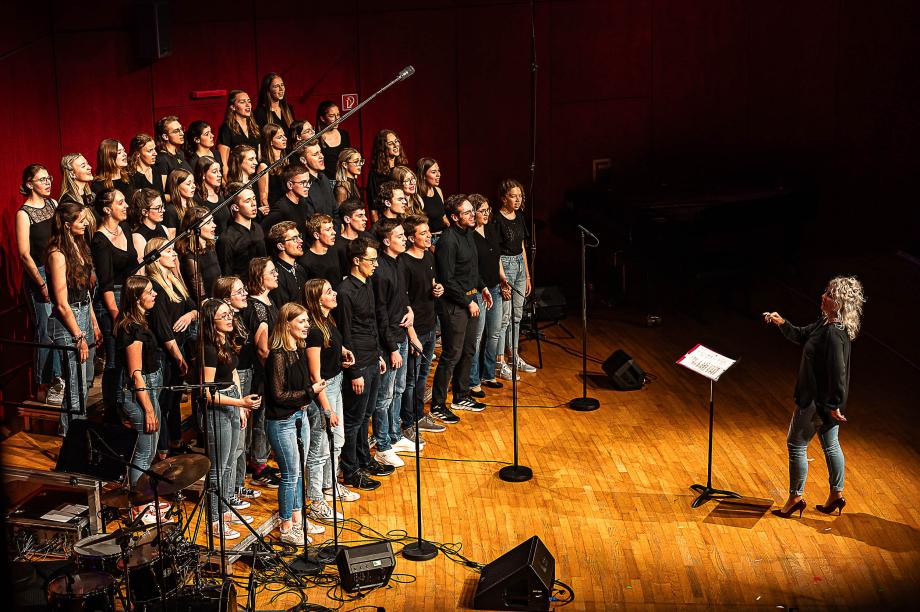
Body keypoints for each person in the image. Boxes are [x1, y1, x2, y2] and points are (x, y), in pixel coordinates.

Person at [764, 276, 866, 518]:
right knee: (831, 445)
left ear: (838, 303)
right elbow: (801, 335)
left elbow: (838, 372)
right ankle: (836, 495)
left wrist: (833, 405)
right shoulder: (826, 324)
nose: (823, 296)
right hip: (825, 403)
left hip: (815, 401)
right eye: (826, 292)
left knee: (796, 445)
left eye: (829, 295)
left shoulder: (833, 333)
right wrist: (782, 323)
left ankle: (795, 498)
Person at [265, 302, 328, 544]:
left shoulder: (298, 350)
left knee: (298, 472)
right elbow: (278, 394)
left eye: (307, 321)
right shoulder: (278, 355)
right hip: (282, 422)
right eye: (301, 321)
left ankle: (299, 519)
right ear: (286, 324)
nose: (306, 326)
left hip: (299, 417)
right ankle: (286, 526)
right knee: (290, 474)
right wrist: (310, 392)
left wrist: (307, 393)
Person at [199, 298, 262, 540]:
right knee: (218, 469)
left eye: (230, 315)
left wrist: (240, 404)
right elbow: (206, 393)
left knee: (231, 462)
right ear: (210, 322)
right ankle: (214, 521)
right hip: (219, 409)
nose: (230, 319)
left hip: (233, 402)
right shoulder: (208, 349)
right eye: (224, 316)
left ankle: (225, 512)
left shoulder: (223, 340)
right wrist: (239, 404)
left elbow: (233, 371)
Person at [335, 236, 393, 491]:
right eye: (371, 260)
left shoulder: (367, 284)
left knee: (366, 414)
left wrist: (379, 354)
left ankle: (363, 458)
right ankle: (350, 470)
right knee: (353, 419)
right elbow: (346, 334)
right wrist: (355, 371)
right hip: (358, 364)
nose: (376, 265)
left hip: (372, 357)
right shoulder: (345, 291)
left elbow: (371, 324)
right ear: (357, 261)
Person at [430, 195, 491, 423]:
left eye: (471, 211)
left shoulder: (469, 235)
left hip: (471, 298)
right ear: (455, 217)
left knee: (468, 350)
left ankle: (461, 395)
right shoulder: (448, 240)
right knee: (451, 355)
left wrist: (482, 287)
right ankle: (438, 404)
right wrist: (468, 302)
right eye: (466, 212)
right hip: (455, 306)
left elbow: (471, 269)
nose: (472, 215)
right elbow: (447, 279)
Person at [303, 278, 359, 504]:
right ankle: (316, 498)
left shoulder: (327, 321)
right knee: (320, 447)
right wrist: (327, 410)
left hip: (335, 382)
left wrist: (343, 353)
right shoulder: (314, 330)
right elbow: (315, 375)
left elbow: (333, 343)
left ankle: (330, 485)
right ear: (318, 300)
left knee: (337, 440)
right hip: (323, 392)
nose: (335, 293)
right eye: (329, 291)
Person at [46, 202, 101, 434]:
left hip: (83, 314)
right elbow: (61, 302)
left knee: (86, 379)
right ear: (67, 225)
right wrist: (78, 334)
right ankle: (73, 437)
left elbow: (84, 291)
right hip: (68, 322)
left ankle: (71, 431)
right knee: (75, 384)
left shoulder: (80, 245)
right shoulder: (57, 254)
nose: (86, 223)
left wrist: (93, 323)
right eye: (81, 220)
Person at [212, 276, 262, 504]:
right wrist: (240, 402)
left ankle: (236, 487)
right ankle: (228, 495)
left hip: (240, 378)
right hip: (231, 382)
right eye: (239, 291)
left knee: (242, 441)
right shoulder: (217, 336)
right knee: (232, 448)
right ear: (225, 299)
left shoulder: (237, 319)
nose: (245, 294)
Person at [144, 237, 195, 459]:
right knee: (164, 402)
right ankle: (162, 449)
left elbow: (194, 306)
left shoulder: (174, 279)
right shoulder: (154, 286)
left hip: (179, 346)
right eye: (169, 251)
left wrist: (189, 315)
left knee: (174, 400)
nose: (174, 254)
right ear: (155, 257)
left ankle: (175, 441)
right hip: (164, 353)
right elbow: (162, 328)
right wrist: (177, 357)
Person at [398, 215, 446, 448]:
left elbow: (433, 281)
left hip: (430, 324)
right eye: (423, 233)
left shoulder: (429, 256)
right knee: (410, 380)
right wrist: (411, 334)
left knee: (421, 378)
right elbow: (403, 301)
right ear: (411, 238)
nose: (428, 236)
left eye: (429, 232)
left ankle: (417, 415)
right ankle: (408, 422)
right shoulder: (404, 262)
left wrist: (438, 287)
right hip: (414, 330)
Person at [16, 164, 62, 402]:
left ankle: (58, 379)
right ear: (29, 183)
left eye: (49, 178)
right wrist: (41, 283)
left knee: (60, 327)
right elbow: (25, 254)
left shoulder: (53, 204)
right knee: (45, 332)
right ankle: (42, 385)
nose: (48, 182)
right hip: (39, 274)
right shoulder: (24, 214)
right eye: (42, 179)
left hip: (58, 270)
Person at [91, 189, 138, 418]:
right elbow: (106, 285)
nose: (126, 205)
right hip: (111, 301)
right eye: (121, 202)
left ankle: (125, 403)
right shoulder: (100, 240)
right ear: (107, 209)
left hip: (129, 296)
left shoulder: (125, 228)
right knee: (114, 358)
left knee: (129, 354)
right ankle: (112, 408)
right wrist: (118, 316)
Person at [370, 219, 413, 468]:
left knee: (398, 390)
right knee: (384, 396)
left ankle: (395, 436)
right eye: (399, 235)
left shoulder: (399, 263)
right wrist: (393, 348)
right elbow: (381, 312)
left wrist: (410, 313)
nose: (404, 238)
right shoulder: (382, 270)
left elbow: (401, 299)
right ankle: (383, 445)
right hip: (390, 343)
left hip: (402, 334)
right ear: (387, 241)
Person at [114, 276, 162, 487]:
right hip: (139, 393)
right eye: (149, 292)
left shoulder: (140, 322)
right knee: (144, 452)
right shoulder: (132, 329)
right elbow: (136, 374)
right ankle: (138, 505)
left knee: (150, 449)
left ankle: (141, 497)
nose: (155, 294)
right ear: (136, 297)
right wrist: (149, 409)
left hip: (149, 389)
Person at [241, 258, 281, 489]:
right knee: (261, 417)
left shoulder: (267, 300)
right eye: (272, 271)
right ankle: (258, 466)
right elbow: (263, 349)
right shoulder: (256, 306)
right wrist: (277, 374)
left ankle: (260, 460)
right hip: (260, 372)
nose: (276, 274)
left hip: (267, 371)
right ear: (259, 276)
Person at [494, 179, 536, 378]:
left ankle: (514, 356)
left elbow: (522, 247)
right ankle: (500, 361)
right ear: (504, 198)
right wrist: (502, 279)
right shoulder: (497, 219)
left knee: (517, 316)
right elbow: (496, 252)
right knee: (504, 317)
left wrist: (527, 275)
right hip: (505, 265)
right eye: (513, 195)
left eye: (520, 196)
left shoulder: (519, 216)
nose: (518, 199)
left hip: (519, 265)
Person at [468, 194, 505, 397]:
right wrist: (481, 288)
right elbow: (472, 268)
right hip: (479, 290)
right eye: (482, 211)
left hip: (495, 287)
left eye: (487, 210)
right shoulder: (469, 235)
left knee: (495, 333)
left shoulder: (491, 229)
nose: (486, 214)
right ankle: (473, 381)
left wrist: (502, 277)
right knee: (477, 336)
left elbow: (497, 256)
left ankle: (488, 374)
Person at [218, 183, 266, 282]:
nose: (254, 204)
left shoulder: (258, 228)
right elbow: (227, 276)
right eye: (248, 201)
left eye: (254, 198)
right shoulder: (227, 238)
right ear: (235, 207)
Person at [177, 206, 220, 303]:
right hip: (207, 308)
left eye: (212, 221)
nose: (214, 225)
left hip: (218, 301)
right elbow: (201, 298)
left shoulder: (210, 247)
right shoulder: (190, 257)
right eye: (208, 223)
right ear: (195, 228)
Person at [218, 90, 261, 175]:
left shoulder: (254, 127)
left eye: (249, 101)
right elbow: (223, 162)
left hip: (255, 174)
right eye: (242, 102)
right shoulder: (226, 128)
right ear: (233, 107)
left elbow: (259, 156)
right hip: (237, 176)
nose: (248, 105)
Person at [262, 164, 311, 238]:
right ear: (290, 185)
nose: (307, 186)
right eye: (303, 182)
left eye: (308, 181)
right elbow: (263, 231)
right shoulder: (281, 208)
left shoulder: (303, 202)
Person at [366, 130, 408, 214]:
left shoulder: (403, 170)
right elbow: (373, 207)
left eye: (396, 142)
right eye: (390, 143)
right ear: (382, 148)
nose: (396, 145)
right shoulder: (375, 174)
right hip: (386, 219)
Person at [267, 221, 307, 306]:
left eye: (299, 236)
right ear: (281, 246)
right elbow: (283, 311)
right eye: (294, 238)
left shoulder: (300, 269)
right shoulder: (276, 275)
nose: (301, 241)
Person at [300, 213, 342, 286]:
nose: (334, 232)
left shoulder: (335, 250)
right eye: (328, 230)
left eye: (333, 228)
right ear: (316, 235)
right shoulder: (305, 262)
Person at [152, 116, 192, 191]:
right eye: (176, 131)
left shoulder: (180, 153)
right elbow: (162, 194)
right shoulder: (162, 159)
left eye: (181, 129)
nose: (182, 133)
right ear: (165, 136)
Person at [193, 156, 230, 236]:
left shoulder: (221, 194)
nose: (219, 175)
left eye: (219, 171)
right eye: (214, 172)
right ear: (203, 175)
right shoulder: (196, 199)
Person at [315, 101, 350, 181]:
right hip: (326, 181)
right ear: (322, 118)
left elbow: (348, 158)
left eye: (338, 115)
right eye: (332, 116)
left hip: (344, 180)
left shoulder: (344, 134)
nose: (337, 119)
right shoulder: (316, 138)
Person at [129, 188, 168, 261]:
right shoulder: (138, 237)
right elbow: (141, 268)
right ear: (145, 212)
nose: (163, 210)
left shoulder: (164, 229)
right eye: (158, 208)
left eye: (162, 206)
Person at [257, 124, 288, 212]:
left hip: (288, 206)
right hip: (276, 209)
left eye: (284, 135)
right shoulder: (264, 165)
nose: (285, 139)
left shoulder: (287, 160)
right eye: (279, 137)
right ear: (270, 141)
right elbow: (263, 198)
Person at [301, 142, 337, 219]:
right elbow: (310, 218)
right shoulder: (303, 184)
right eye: (315, 154)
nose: (321, 156)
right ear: (303, 160)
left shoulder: (324, 178)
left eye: (320, 152)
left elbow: (335, 210)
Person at [417, 157, 449, 241]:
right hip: (429, 238)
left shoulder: (438, 191)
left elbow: (443, 216)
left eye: (438, 171)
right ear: (423, 175)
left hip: (443, 235)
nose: (439, 175)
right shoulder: (417, 195)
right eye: (434, 172)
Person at [163, 168, 195, 239]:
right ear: (176, 186)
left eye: (193, 182)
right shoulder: (170, 211)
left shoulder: (194, 205)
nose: (193, 186)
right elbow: (171, 240)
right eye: (188, 184)